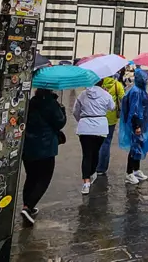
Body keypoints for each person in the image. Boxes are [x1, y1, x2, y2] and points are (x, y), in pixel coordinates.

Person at [20, 87, 67, 224]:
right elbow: (60, 123)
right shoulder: (51, 104)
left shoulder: (30, 102)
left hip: (28, 146)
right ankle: (28, 207)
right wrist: (62, 110)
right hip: (45, 147)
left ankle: (27, 206)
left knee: (31, 177)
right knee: (44, 178)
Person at [73, 80, 115, 194]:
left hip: (85, 127)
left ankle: (86, 182)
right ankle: (92, 173)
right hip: (100, 127)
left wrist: (81, 120)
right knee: (96, 151)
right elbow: (112, 107)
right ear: (102, 82)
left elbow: (75, 111)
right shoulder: (106, 94)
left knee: (86, 154)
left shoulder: (82, 94)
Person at [119, 69, 148, 185]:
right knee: (134, 147)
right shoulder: (136, 92)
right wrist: (136, 126)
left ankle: (136, 170)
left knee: (138, 146)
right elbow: (134, 111)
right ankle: (129, 173)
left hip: (142, 124)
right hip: (137, 125)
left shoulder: (140, 90)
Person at [95, 73, 125, 177]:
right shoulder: (117, 85)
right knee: (106, 142)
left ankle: (94, 165)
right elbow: (123, 98)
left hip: (97, 116)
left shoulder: (96, 84)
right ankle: (102, 168)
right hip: (111, 118)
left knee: (97, 142)